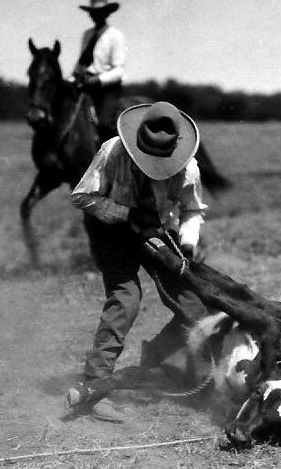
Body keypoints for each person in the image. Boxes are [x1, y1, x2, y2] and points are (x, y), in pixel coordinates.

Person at [69, 101, 208, 423]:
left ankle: (157, 360)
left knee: (194, 306)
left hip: (159, 233)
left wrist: (187, 243)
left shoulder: (188, 168)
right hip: (112, 231)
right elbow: (82, 195)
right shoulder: (112, 151)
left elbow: (194, 209)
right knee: (125, 300)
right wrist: (126, 214)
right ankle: (94, 386)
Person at [71, 0, 127, 143]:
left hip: (107, 89)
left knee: (103, 123)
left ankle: (108, 156)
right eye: (93, 12)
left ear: (107, 13)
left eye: (100, 12)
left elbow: (119, 70)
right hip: (86, 86)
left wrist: (98, 79)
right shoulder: (87, 35)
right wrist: (73, 76)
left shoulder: (115, 35)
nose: (96, 15)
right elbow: (81, 62)